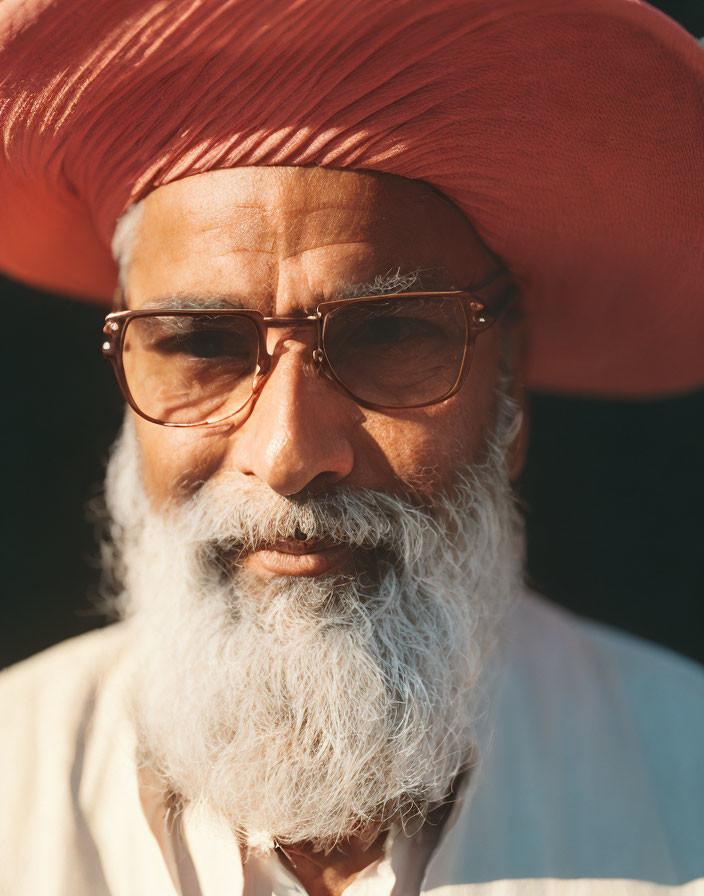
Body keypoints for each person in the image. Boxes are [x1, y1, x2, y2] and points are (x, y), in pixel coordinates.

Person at [1, 1, 703, 894]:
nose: (290, 451)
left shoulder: (685, 788)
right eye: (203, 346)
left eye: (388, 336)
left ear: (510, 385)